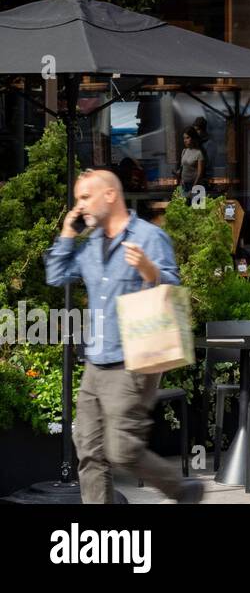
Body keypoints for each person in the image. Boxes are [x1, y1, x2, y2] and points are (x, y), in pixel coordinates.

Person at [44, 169, 203, 504]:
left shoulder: (148, 237)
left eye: (85, 197)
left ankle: (180, 487)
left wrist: (149, 270)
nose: (79, 206)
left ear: (110, 195)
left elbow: (173, 292)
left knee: (122, 450)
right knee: (88, 450)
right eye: (77, 200)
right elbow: (56, 275)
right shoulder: (89, 247)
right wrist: (67, 234)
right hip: (95, 363)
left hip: (133, 361)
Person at [176, 127, 206, 191]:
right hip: (183, 184)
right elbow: (182, 168)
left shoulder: (198, 153)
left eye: (187, 138)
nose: (185, 140)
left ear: (193, 138)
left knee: (194, 201)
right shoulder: (184, 151)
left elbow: (200, 173)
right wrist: (180, 182)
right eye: (184, 138)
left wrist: (194, 187)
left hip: (194, 185)